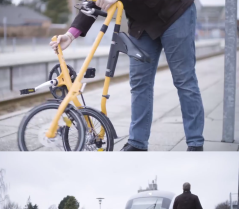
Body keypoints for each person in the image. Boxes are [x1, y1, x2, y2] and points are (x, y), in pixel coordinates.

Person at [50, 0, 205, 151]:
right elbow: (93, 2)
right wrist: (71, 35)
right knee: (139, 83)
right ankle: (138, 142)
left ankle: (195, 142)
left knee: (184, 79)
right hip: (142, 23)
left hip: (174, 12)